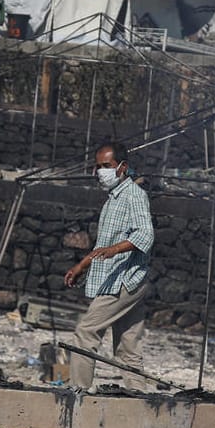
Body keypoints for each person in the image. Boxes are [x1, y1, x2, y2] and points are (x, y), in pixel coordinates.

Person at [64, 141, 154, 392]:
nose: (100, 172)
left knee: (86, 331)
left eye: (106, 166)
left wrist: (114, 251)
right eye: (97, 166)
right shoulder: (114, 199)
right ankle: (139, 398)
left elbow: (145, 235)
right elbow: (105, 244)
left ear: (122, 167)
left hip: (124, 280)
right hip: (122, 278)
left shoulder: (134, 196)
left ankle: (78, 393)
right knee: (128, 347)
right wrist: (83, 264)